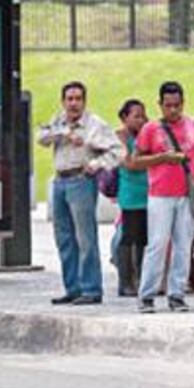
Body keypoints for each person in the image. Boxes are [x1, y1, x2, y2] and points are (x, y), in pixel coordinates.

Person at [133, 81, 194, 313]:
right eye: (168, 105)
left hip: (187, 195)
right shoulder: (151, 129)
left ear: (183, 103)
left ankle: (177, 293)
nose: (173, 110)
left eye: (177, 105)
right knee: (157, 244)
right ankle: (147, 294)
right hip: (160, 195)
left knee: (184, 245)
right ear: (160, 105)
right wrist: (162, 158)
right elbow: (134, 161)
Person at [38, 81, 123, 305]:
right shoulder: (59, 120)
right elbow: (41, 137)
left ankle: (91, 289)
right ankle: (72, 287)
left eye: (78, 99)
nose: (73, 103)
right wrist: (64, 134)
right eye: (69, 99)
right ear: (63, 101)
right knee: (63, 238)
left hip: (81, 180)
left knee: (85, 238)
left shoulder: (94, 124)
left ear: (84, 101)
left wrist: (96, 164)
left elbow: (118, 151)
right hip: (60, 180)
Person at [114, 98, 149, 297]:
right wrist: (153, 160)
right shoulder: (120, 137)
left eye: (143, 115)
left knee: (144, 239)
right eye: (136, 116)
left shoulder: (146, 134)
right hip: (130, 194)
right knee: (128, 237)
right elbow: (129, 163)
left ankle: (141, 279)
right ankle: (125, 281)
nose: (141, 120)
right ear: (124, 117)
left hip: (148, 192)